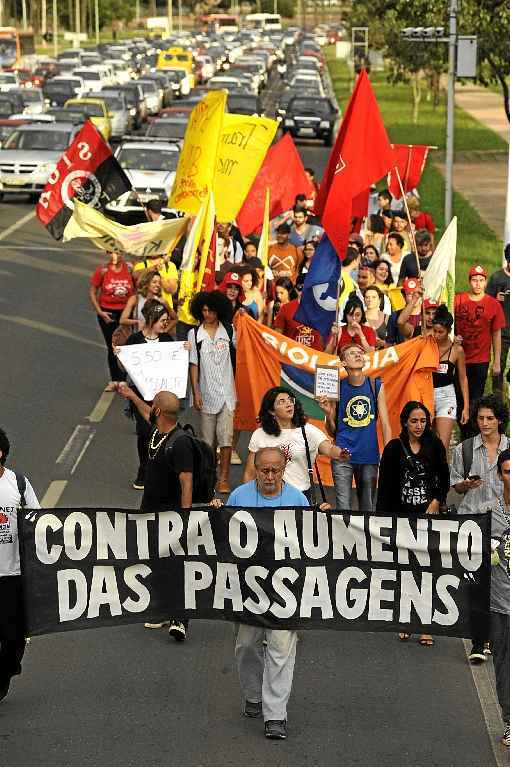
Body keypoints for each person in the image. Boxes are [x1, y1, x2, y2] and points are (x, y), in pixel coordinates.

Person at [225, 447, 309, 740]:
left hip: (285, 593)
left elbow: (311, 544)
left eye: (276, 470)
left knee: (281, 651)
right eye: (265, 470)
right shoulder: (239, 497)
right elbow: (225, 538)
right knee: (246, 646)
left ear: (284, 469)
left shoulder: (298, 499)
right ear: (256, 469)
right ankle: (253, 694)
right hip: (248, 592)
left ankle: (276, 716)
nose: (270, 476)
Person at [116, 389, 194, 641]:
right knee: (155, 560)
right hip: (149, 510)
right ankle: (161, 609)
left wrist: (184, 519)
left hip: (170, 515)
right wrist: (131, 395)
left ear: (159, 411)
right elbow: (146, 412)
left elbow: (187, 482)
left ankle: (180, 618)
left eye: (153, 405)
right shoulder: (157, 433)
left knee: (174, 564)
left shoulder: (179, 441)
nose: (150, 408)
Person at [376, 401, 449, 647]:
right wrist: (382, 522)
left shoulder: (435, 446)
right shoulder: (394, 449)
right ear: (405, 422)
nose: (419, 426)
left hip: (429, 519)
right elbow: (384, 488)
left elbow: (444, 477)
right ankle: (406, 619)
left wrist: (437, 500)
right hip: (401, 520)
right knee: (405, 572)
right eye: (414, 421)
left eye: (423, 421)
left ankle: (426, 625)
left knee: (427, 572)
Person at [450, 393, 510, 663]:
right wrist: (466, 485)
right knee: (476, 584)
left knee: (500, 583)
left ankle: (495, 638)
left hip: (502, 525)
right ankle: (478, 641)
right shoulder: (463, 449)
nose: (484, 423)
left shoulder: (509, 449)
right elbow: (456, 486)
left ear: (499, 420)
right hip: (472, 524)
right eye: (480, 418)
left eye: (490, 418)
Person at [318, 342, 392, 512]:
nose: (358, 355)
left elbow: (386, 425)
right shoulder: (336, 387)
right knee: (343, 509)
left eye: (360, 352)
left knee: (368, 510)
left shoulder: (376, 385)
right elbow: (332, 431)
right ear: (343, 363)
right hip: (342, 455)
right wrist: (329, 414)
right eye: (352, 353)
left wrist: (388, 455)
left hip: (369, 456)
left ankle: (364, 540)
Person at [243, 387, 349, 501]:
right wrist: (246, 499)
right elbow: (250, 473)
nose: (288, 404)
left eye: (290, 400)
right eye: (281, 402)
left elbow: (329, 449)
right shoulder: (260, 434)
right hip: (268, 496)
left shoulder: (307, 430)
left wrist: (340, 453)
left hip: (300, 495)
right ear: (271, 411)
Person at [0, 427, 40, 702]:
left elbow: (40, 525)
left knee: (14, 638)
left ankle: (5, 671)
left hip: (13, 576)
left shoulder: (19, 485)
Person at [120, 301, 175, 490]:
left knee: (160, 431)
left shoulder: (168, 340)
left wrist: (185, 349)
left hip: (161, 394)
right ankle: (144, 469)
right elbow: (123, 367)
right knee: (144, 431)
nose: (165, 324)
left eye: (167, 321)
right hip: (140, 393)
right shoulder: (135, 340)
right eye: (162, 320)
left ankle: (158, 469)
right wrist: (119, 355)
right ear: (152, 320)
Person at [189, 290, 236, 494]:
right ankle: (208, 476)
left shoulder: (229, 331)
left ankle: (223, 478)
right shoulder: (194, 334)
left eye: (211, 310)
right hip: (206, 394)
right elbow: (193, 365)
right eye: (204, 310)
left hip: (227, 394)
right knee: (207, 442)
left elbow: (244, 352)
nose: (207, 314)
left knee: (226, 438)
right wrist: (196, 392)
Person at [454, 265, 505, 437]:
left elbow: (497, 333)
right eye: (474, 280)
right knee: (460, 398)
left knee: (476, 398)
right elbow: (447, 325)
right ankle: (463, 432)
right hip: (458, 358)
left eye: (481, 280)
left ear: (485, 282)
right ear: (469, 281)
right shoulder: (458, 300)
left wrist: (496, 360)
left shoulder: (493, 304)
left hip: (480, 360)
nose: (478, 283)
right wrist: (453, 337)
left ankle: (472, 435)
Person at [485, 449, 510, 747]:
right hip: (499, 603)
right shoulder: (489, 512)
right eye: (507, 472)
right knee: (504, 666)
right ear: (499, 476)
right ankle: (509, 720)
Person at [89, 250, 135, 390]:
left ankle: (123, 380)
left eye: (117, 253)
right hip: (107, 313)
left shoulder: (130, 269)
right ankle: (114, 379)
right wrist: (99, 311)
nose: (114, 257)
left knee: (124, 346)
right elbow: (93, 291)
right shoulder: (102, 270)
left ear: (123, 254)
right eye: (111, 253)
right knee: (112, 346)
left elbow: (139, 287)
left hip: (125, 314)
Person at [431, 305, 469, 449]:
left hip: (446, 396)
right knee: (427, 443)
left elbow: (463, 379)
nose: (437, 335)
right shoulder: (427, 345)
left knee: (442, 445)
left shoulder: (457, 350)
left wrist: (465, 407)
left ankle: (443, 471)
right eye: (434, 331)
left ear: (449, 331)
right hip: (427, 393)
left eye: (441, 332)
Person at [487, 243, 510, 391]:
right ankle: (497, 401)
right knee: (498, 369)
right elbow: (485, 304)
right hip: (502, 332)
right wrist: (496, 300)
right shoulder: (497, 278)